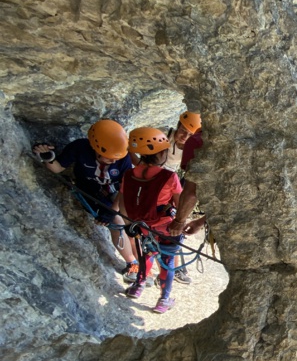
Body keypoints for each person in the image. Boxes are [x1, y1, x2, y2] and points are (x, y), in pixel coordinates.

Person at [32, 120, 138, 278]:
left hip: (115, 191)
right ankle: (132, 263)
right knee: (117, 222)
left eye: (115, 158)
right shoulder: (80, 148)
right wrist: (47, 157)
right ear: (95, 146)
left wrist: (112, 210)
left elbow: (125, 187)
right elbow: (57, 168)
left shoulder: (122, 157)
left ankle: (141, 262)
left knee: (130, 221)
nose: (113, 161)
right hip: (90, 191)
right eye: (108, 157)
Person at [128, 110, 201, 285]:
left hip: (172, 178)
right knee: (161, 224)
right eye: (183, 130)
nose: (185, 136)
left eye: (190, 134)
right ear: (177, 126)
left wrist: (181, 217)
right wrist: (145, 170)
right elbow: (136, 150)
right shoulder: (160, 136)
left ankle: (174, 267)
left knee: (175, 222)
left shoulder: (194, 148)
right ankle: (148, 267)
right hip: (154, 176)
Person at [118, 127, 183, 313]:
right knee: (167, 260)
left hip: (141, 226)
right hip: (165, 227)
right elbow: (180, 204)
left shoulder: (129, 174)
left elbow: (123, 200)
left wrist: (129, 224)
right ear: (162, 152)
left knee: (147, 253)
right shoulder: (169, 177)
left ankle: (138, 287)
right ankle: (164, 299)